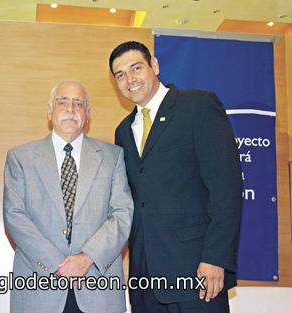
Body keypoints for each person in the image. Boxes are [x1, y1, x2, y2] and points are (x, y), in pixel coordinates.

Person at [109, 41, 242, 313]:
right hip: (145, 279)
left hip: (196, 272)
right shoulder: (122, 131)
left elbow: (226, 188)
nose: (129, 79)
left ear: (154, 66)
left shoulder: (197, 105)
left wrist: (215, 258)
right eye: (120, 75)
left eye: (136, 68)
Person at [3, 80, 134, 313]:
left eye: (78, 103)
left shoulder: (113, 157)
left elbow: (122, 214)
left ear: (88, 113)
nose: (70, 108)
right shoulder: (20, 158)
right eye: (62, 102)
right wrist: (60, 265)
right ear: (49, 111)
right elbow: (15, 216)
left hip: (98, 286)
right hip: (39, 287)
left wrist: (87, 258)